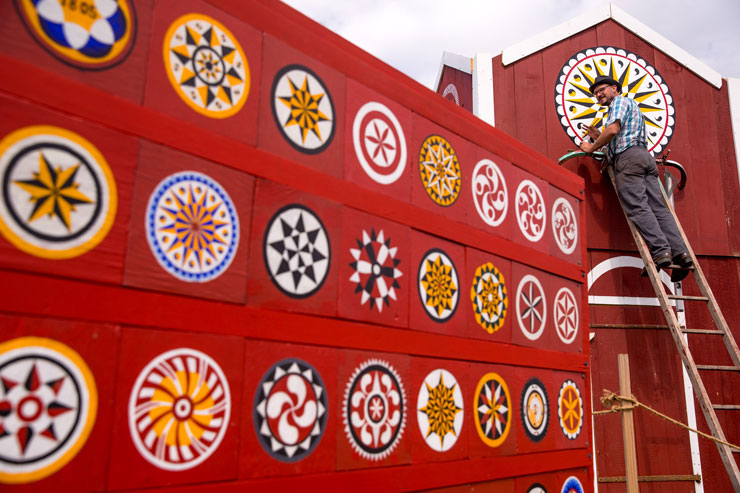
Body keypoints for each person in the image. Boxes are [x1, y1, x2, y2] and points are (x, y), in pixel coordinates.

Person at [578, 75, 692, 269]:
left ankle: (660, 251)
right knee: (659, 209)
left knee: (638, 207)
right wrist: (599, 136)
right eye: (596, 93)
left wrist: (591, 147)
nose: (598, 94)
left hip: (629, 159)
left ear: (615, 88)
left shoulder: (619, 102)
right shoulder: (633, 107)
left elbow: (613, 130)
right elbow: (618, 136)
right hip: (644, 158)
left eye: (602, 89)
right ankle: (681, 253)